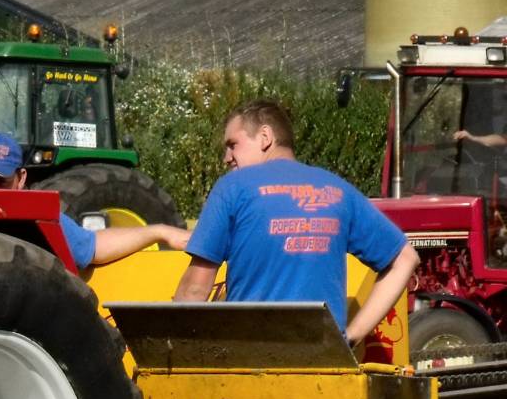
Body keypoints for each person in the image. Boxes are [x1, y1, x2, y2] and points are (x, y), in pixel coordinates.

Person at [173, 98, 419, 346]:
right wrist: (351, 337)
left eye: (232, 144)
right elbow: (405, 259)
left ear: (265, 137)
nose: (227, 157)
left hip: (252, 358)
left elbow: (195, 290)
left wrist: (171, 348)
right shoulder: (336, 189)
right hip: (324, 363)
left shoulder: (232, 188)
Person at [0, 133, 191, 269]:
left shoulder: (36, 217)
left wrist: (159, 231)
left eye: (0, 180)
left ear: (20, 179)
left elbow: (92, 247)